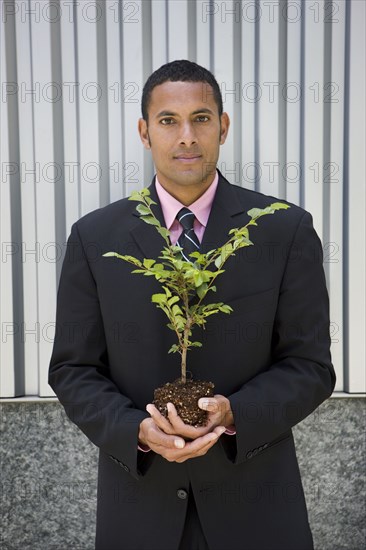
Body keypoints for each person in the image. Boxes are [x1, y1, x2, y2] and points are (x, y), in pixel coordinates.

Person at [49, 60, 336, 550]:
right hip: (140, 508)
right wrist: (136, 431)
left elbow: (310, 365)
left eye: (201, 118)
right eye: (168, 121)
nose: (186, 136)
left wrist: (234, 413)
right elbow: (73, 368)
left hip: (256, 510)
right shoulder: (95, 238)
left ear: (223, 127)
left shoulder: (283, 230)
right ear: (144, 132)